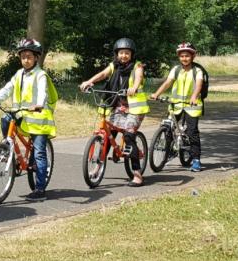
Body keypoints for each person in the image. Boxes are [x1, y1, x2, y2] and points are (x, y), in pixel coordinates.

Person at [0, 38, 58, 202]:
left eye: (29, 57)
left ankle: (40, 189)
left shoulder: (41, 75)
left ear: (36, 58)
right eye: (23, 56)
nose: (26, 60)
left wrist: (39, 104)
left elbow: (42, 93)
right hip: (23, 115)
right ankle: (7, 149)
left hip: (39, 119)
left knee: (39, 153)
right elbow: (7, 89)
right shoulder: (19, 74)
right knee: (5, 118)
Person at [79, 38, 150, 186]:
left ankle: (137, 174)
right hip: (117, 105)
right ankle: (98, 167)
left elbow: (138, 78)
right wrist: (89, 81)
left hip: (134, 109)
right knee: (108, 135)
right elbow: (103, 74)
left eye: (127, 53)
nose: (123, 55)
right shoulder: (114, 66)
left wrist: (134, 88)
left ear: (132, 54)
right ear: (117, 54)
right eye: (121, 53)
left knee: (130, 137)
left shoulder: (137, 66)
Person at [150, 42, 204, 172]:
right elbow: (168, 82)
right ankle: (168, 152)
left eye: (187, 56)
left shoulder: (197, 71)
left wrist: (194, 96)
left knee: (192, 132)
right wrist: (157, 94)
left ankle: (196, 159)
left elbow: (199, 85)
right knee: (168, 128)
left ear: (193, 56)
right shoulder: (176, 70)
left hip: (192, 106)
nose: (184, 58)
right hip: (176, 104)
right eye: (181, 56)